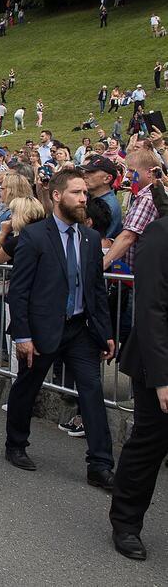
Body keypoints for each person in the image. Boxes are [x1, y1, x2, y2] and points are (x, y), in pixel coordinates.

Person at [3, 170, 116, 491]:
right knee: (28, 386)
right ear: (56, 196)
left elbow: (96, 289)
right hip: (42, 329)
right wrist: (22, 335)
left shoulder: (91, 239)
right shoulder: (35, 236)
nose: (84, 199)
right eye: (77, 193)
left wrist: (105, 332)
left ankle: (100, 463)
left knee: (92, 392)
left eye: (85, 194)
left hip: (80, 330)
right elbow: (19, 290)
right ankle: (16, 444)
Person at [109, 217, 168, 560]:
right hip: (157, 361)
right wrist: (163, 378)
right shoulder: (160, 234)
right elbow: (151, 310)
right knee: (150, 444)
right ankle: (126, 523)